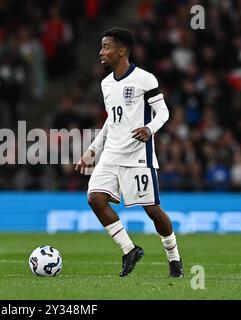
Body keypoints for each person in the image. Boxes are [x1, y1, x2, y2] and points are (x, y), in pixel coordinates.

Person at [75, 27, 183, 278]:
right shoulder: (106, 84)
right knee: (94, 199)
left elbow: (164, 112)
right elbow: (111, 122)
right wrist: (92, 150)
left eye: (106, 47)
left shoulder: (145, 79)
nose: (101, 52)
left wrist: (149, 128)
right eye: (101, 47)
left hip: (138, 156)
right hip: (111, 155)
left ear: (122, 50)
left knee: (154, 211)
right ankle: (129, 249)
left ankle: (174, 258)